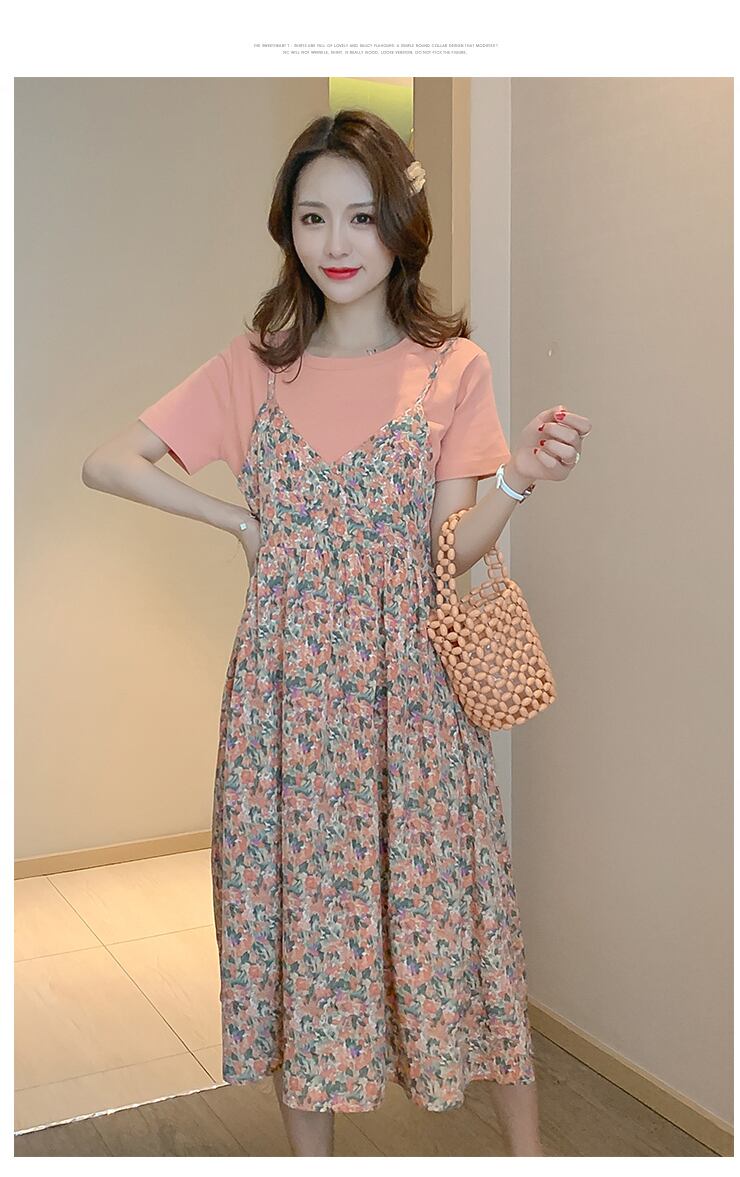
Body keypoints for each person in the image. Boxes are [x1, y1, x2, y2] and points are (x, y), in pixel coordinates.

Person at [82, 108, 591, 1158]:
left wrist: (517, 479)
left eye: (362, 216)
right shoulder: (253, 366)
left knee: (459, 919)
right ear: (289, 229)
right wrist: (239, 523)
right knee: (300, 931)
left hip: (414, 694)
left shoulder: (454, 368)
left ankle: (531, 1158)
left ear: (402, 224)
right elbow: (110, 461)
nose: (337, 242)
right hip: (286, 704)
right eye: (313, 217)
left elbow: (449, 548)